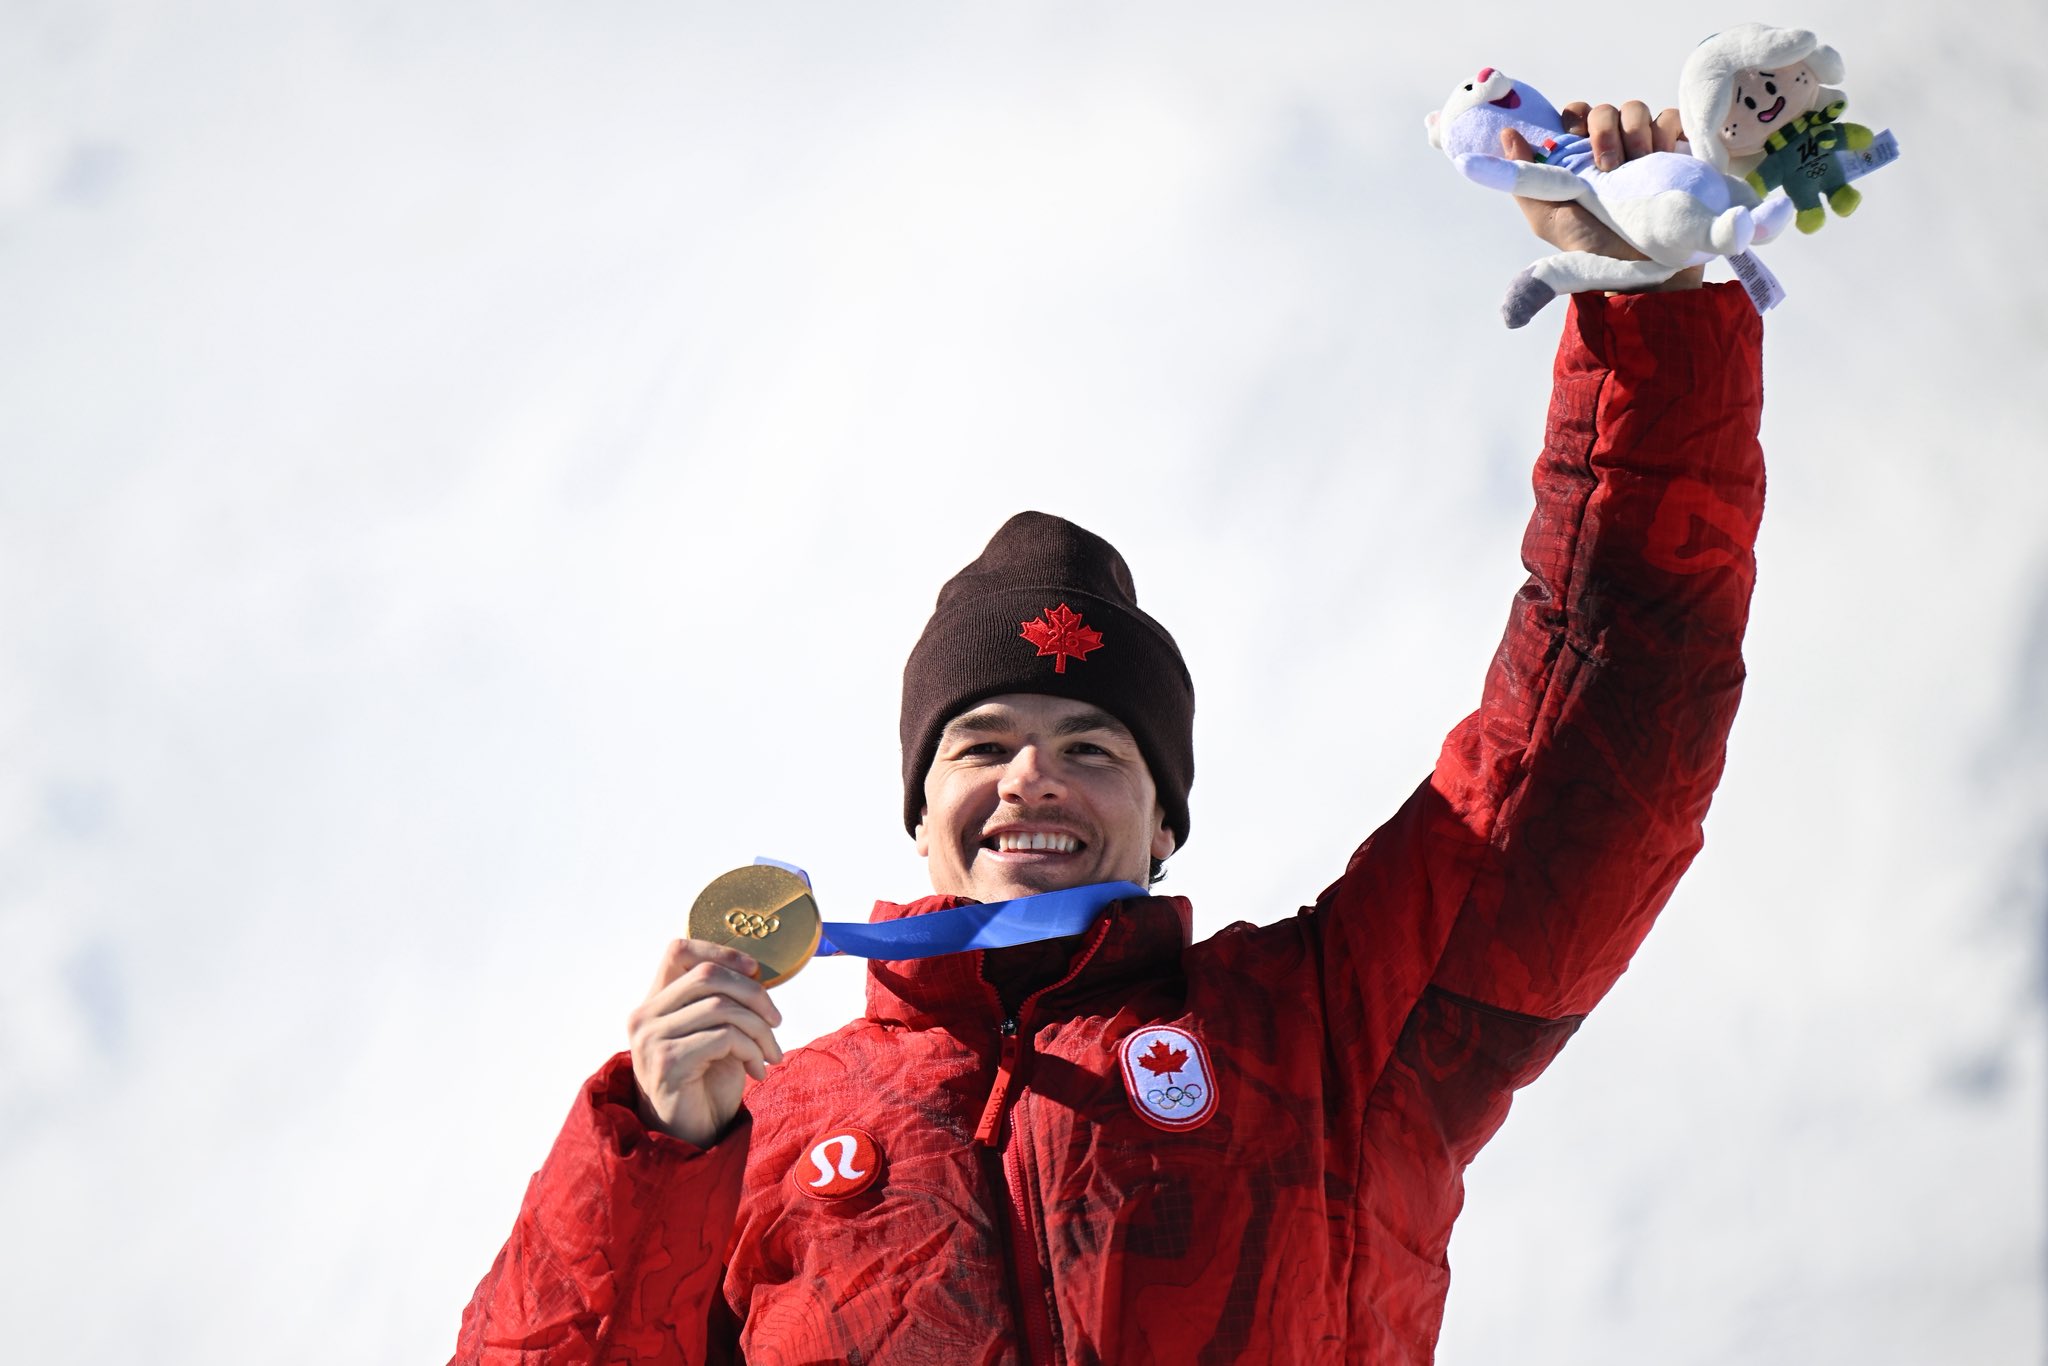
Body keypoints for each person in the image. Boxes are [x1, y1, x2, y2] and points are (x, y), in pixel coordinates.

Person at [452, 101, 1766, 1364]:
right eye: (982, 745)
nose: (1033, 774)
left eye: (1093, 746)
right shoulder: (761, 1130)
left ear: (1164, 822)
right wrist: (655, 1160)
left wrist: (1650, 329)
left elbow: (1589, 739)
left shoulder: (1328, 1032)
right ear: (919, 815)